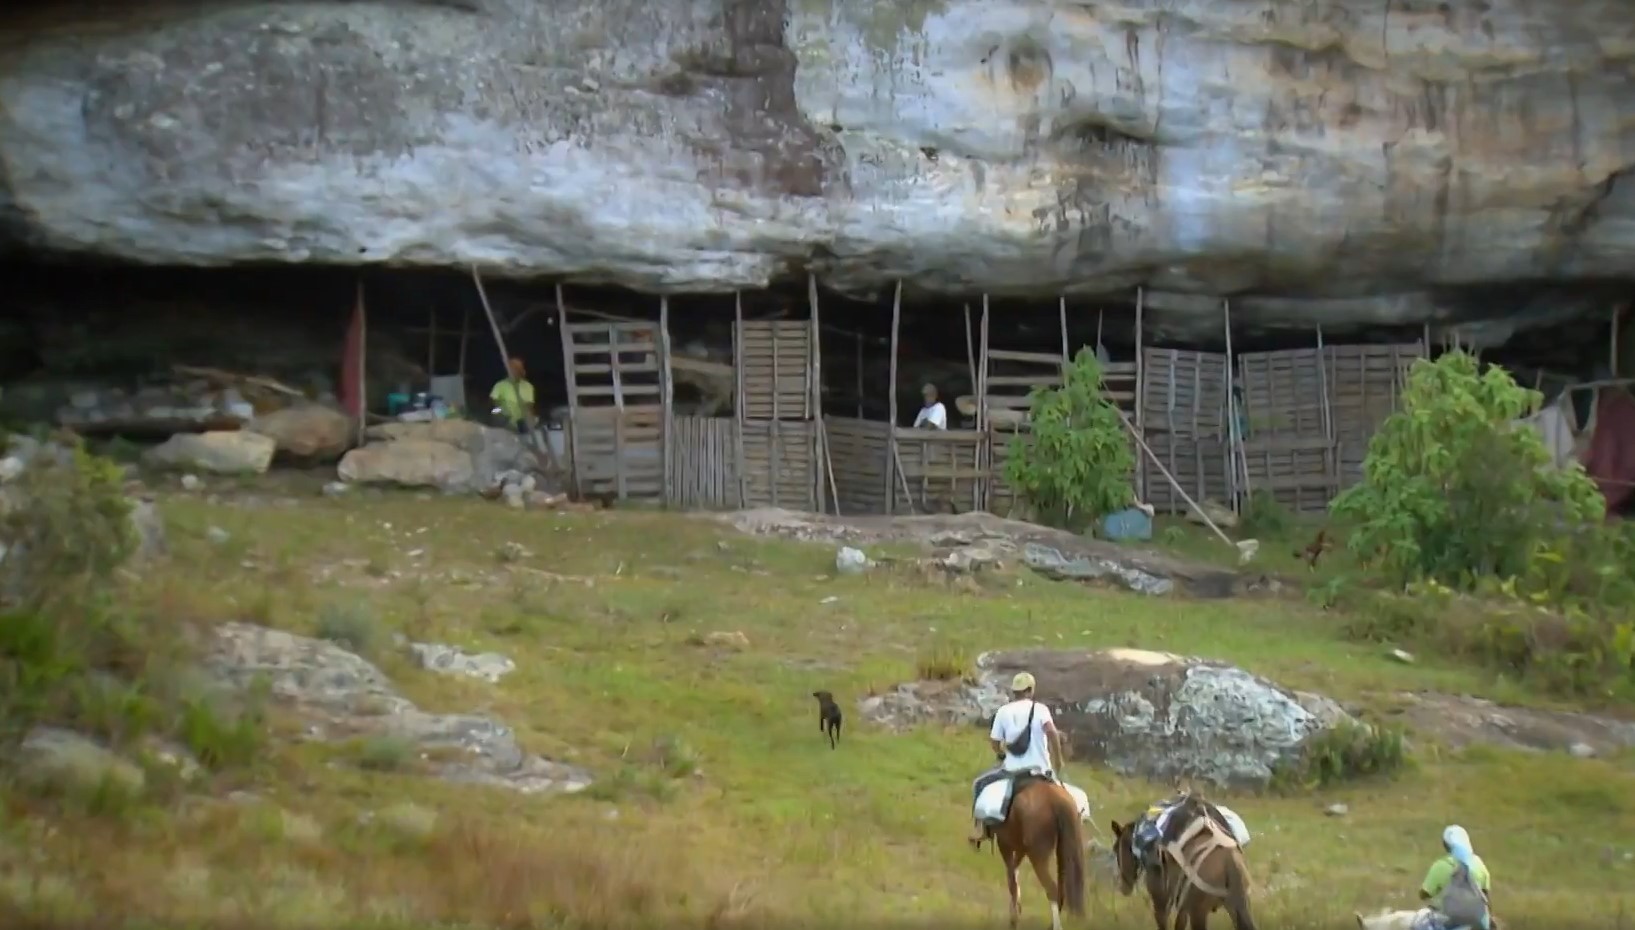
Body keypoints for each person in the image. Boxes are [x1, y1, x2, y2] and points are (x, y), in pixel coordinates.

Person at [968, 671, 1065, 847]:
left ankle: (982, 832)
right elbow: (1051, 732)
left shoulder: (1004, 711)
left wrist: (1001, 754)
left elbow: (995, 742)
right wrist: (1058, 760)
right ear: (1030, 690)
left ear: (1015, 692)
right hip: (1042, 770)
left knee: (979, 784)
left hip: (1013, 771)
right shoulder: (1041, 709)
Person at [1413, 825, 1492, 930]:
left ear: (1445, 845)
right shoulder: (1478, 863)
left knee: (1417, 924)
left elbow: (1424, 894)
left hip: (1449, 922)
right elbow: (1485, 894)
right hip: (1479, 923)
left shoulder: (1441, 865)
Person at [490, 358, 537, 436]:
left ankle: (525, 436)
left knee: (533, 418)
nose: (514, 372)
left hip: (520, 415)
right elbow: (494, 401)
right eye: (512, 369)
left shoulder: (528, 386)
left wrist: (529, 416)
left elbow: (529, 405)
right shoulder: (500, 384)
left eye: (517, 369)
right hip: (503, 411)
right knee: (495, 412)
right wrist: (502, 408)